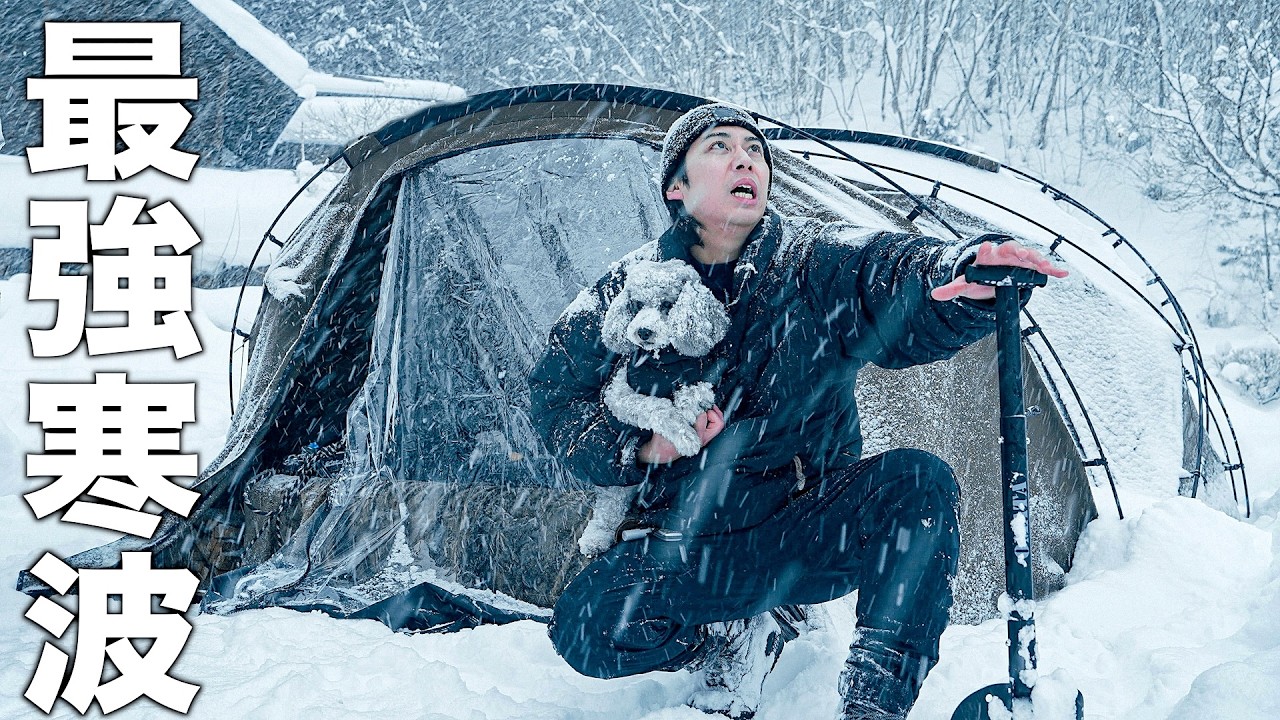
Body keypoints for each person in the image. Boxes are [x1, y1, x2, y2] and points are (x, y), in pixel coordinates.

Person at [528, 103, 1067, 720]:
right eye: (719, 147)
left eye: (755, 151)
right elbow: (553, 400)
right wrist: (642, 448)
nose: (744, 159)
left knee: (919, 483)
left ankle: (874, 698)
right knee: (583, 626)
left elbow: (884, 273)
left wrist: (954, 275)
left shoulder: (812, 266)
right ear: (676, 185)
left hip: (800, 526)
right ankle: (716, 638)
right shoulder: (628, 290)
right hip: (686, 544)